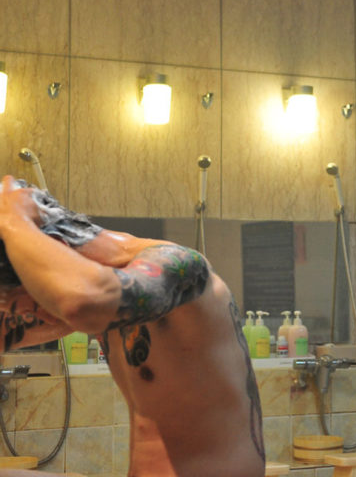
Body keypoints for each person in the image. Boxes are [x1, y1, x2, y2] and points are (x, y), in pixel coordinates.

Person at [0, 176, 265, 477]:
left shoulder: (179, 266)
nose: (45, 318)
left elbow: (82, 302)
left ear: (59, 250)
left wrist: (13, 219)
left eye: (37, 302)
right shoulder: (103, 300)